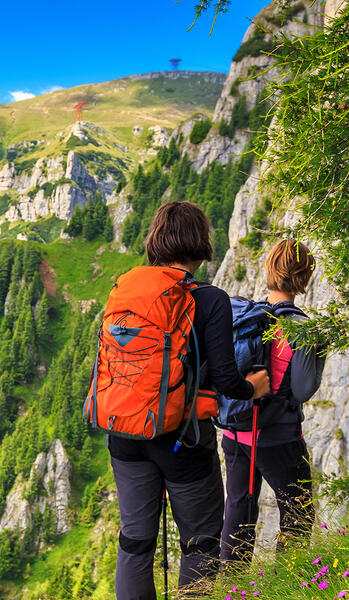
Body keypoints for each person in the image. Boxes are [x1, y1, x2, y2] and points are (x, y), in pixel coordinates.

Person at [108, 201, 270, 600]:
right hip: (185, 439)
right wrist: (255, 388)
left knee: (135, 540)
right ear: (200, 243)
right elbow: (228, 379)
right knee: (200, 542)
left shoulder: (126, 286)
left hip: (126, 434)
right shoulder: (209, 299)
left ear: (156, 241)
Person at [219, 239, 326, 565]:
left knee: (238, 513)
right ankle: (287, 585)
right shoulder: (303, 327)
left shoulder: (246, 316)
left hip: (235, 432)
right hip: (278, 436)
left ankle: (229, 587)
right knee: (297, 512)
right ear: (305, 277)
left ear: (270, 270)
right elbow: (303, 389)